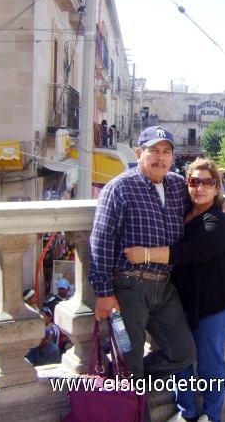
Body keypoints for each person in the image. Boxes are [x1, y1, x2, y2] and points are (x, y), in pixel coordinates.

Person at [89, 125, 198, 422]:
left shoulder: (177, 185)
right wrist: (103, 292)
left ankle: (125, 374)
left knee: (184, 352)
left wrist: (224, 203)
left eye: (166, 152)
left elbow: (204, 199)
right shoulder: (119, 187)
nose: (160, 158)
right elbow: (100, 240)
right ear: (139, 153)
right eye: (154, 151)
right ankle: (129, 380)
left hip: (164, 289)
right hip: (127, 290)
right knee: (129, 356)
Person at [124, 158, 225, 422]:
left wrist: (145, 255)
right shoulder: (184, 207)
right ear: (187, 183)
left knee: (210, 363)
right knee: (181, 361)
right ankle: (187, 413)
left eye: (207, 182)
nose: (200, 188)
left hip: (214, 302)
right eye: (194, 181)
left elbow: (191, 252)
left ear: (217, 186)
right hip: (181, 300)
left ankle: (211, 416)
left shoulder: (219, 220)